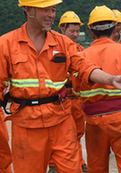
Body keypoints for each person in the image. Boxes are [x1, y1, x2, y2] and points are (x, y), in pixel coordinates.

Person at [0, 0, 121, 173]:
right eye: (45, 9)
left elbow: (85, 67)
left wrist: (111, 79)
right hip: (27, 127)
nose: (51, 15)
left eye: (53, 9)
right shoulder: (6, 44)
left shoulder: (62, 43)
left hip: (61, 122)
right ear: (28, 10)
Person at [72, 5, 121, 173]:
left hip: (93, 120)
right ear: (114, 29)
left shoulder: (81, 56)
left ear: (91, 31)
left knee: (96, 167)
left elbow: (77, 91)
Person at [48, 11, 87, 173]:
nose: (76, 34)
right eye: (72, 31)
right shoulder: (54, 48)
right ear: (62, 29)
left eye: (78, 31)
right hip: (60, 100)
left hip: (76, 100)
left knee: (77, 133)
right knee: (58, 135)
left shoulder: (80, 49)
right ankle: (52, 164)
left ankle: (79, 161)